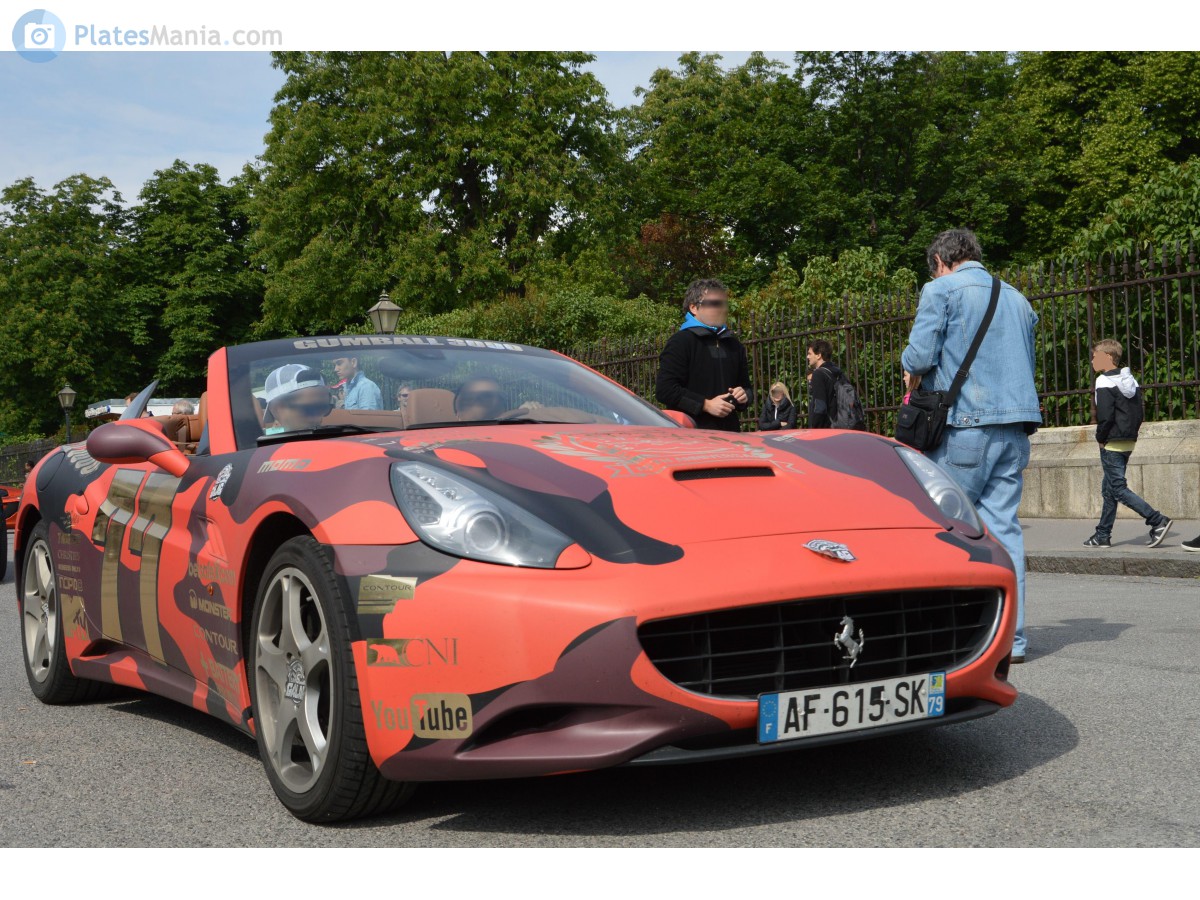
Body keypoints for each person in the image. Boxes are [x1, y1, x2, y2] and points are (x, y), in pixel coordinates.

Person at [901, 228, 1041, 664]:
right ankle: (1011, 641)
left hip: (965, 427)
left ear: (941, 260)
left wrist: (907, 366)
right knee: (1005, 533)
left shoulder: (940, 289)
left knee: (945, 529)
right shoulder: (1017, 297)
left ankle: (949, 637)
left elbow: (919, 358)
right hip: (1015, 427)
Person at [1082, 339, 1172, 549]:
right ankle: (1102, 535)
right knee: (1109, 489)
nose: (1093, 360)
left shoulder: (1104, 381)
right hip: (1128, 440)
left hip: (1111, 442)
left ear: (1109, 357)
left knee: (1118, 489)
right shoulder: (1129, 379)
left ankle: (1157, 520)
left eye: (1096, 356)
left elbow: (1105, 416)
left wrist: (1101, 439)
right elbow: (1138, 413)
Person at [655, 278, 752, 431]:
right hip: (693, 436)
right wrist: (706, 405)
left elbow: (747, 388)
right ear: (694, 308)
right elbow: (665, 390)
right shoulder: (680, 342)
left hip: (730, 435)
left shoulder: (734, 344)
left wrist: (743, 396)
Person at [262, 364, 333, 434]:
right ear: (277, 408)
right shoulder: (264, 440)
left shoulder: (333, 435)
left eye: (323, 408)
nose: (318, 418)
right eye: (309, 410)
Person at [805, 340, 842, 429]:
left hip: (825, 428)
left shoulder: (818, 374)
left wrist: (814, 427)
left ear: (818, 355)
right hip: (839, 425)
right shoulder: (836, 371)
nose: (807, 357)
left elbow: (820, 406)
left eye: (810, 354)